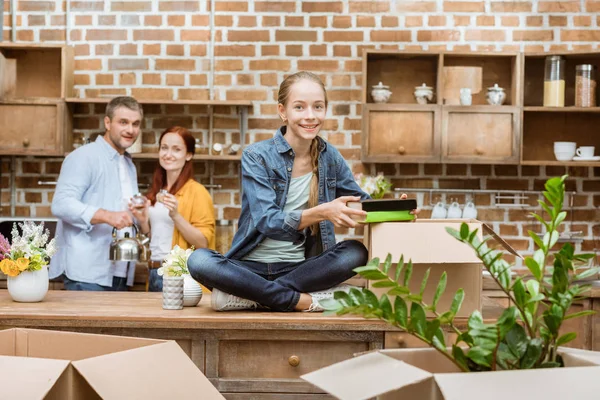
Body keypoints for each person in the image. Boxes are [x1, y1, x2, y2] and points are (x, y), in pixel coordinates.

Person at [188, 71, 419, 312]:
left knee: (355, 253)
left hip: (300, 269)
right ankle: (296, 300)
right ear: (282, 111)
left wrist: (397, 210)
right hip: (249, 266)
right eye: (299, 107)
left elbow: (362, 204)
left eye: (318, 107)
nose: (310, 116)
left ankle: (251, 296)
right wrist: (321, 212)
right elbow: (267, 220)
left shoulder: (330, 158)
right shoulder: (256, 156)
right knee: (199, 260)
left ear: (325, 110)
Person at [50, 96, 144, 291]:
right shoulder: (84, 156)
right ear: (107, 122)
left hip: (120, 273)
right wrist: (107, 215)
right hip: (87, 273)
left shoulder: (128, 164)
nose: (130, 130)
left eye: (136, 124)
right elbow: (61, 203)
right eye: (123, 122)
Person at [132, 126, 216, 292]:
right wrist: (143, 222)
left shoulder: (197, 192)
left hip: (179, 276)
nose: (168, 154)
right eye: (164, 148)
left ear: (188, 155)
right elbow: (158, 237)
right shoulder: (157, 191)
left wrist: (176, 215)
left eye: (176, 149)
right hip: (154, 271)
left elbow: (203, 242)